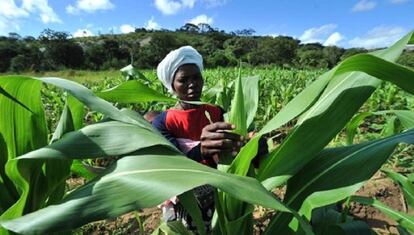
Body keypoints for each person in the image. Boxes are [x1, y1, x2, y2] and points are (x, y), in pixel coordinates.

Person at [152, 45, 245, 233]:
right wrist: (200, 150)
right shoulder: (164, 121)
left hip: (220, 193)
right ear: (172, 85)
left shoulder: (216, 111)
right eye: (183, 80)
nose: (192, 83)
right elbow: (170, 164)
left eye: (196, 77)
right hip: (186, 197)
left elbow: (234, 145)